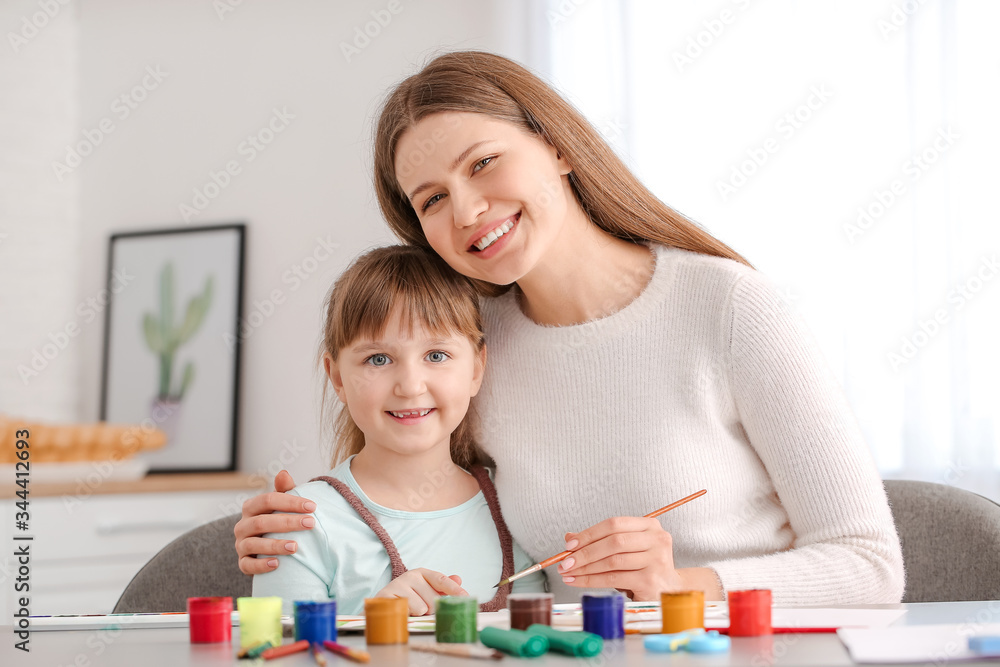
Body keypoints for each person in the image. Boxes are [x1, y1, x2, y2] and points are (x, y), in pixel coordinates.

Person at [238, 51, 904, 606]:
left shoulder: (728, 306)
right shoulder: (474, 348)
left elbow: (870, 565)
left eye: (482, 163)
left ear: (555, 145)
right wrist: (296, 530)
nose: (468, 209)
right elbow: (428, 499)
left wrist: (683, 584)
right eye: (433, 199)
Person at [251, 245, 545, 615]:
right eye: (378, 359)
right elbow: (280, 655)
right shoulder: (300, 524)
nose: (410, 386)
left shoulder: (515, 505)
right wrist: (374, 626)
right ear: (338, 377)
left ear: (475, 368)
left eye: (436, 355)